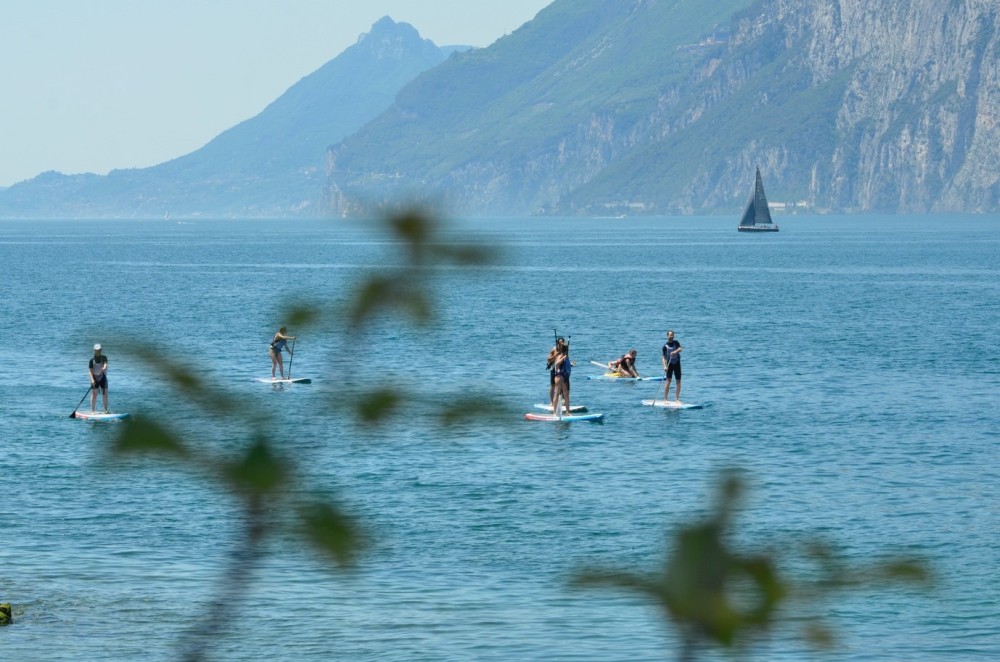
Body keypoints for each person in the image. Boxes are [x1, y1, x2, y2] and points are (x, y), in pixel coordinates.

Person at [551, 341, 573, 416]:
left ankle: (568, 412)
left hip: (565, 377)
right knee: (556, 394)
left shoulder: (566, 356)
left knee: (566, 395)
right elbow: (557, 364)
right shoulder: (560, 356)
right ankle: (554, 412)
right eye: (566, 349)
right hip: (559, 376)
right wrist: (563, 358)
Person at [662, 330, 682, 401]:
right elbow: (664, 358)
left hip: (676, 363)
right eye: (670, 335)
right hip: (669, 364)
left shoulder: (676, 342)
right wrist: (664, 366)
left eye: (673, 335)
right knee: (668, 380)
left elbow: (680, 349)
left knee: (678, 381)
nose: (672, 336)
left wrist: (675, 351)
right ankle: (665, 399)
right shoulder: (665, 346)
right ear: (667, 336)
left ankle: (677, 399)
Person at [88, 343, 109, 413]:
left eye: (99, 350)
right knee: (94, 394)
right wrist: (92, 380)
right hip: (95, 378)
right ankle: (92, 410)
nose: (98, 351)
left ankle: (105, 410)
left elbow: (105, 363)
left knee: (105, 394)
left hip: (103, 377)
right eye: (97, 350)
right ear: (94, 350)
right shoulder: (91, 360)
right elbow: (90, 372)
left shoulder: (104, 357)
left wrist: (105, 367)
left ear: (101, 350)